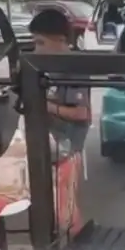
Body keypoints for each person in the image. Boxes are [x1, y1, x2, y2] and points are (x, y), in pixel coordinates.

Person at [29, 9, 91, 152]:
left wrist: (45, 106)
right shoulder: (45, 66)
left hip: (66, 142)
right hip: (44, 136)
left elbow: (81, 113)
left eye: (41, 43)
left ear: (61, 40)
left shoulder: (75, 68)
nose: (36, 50)